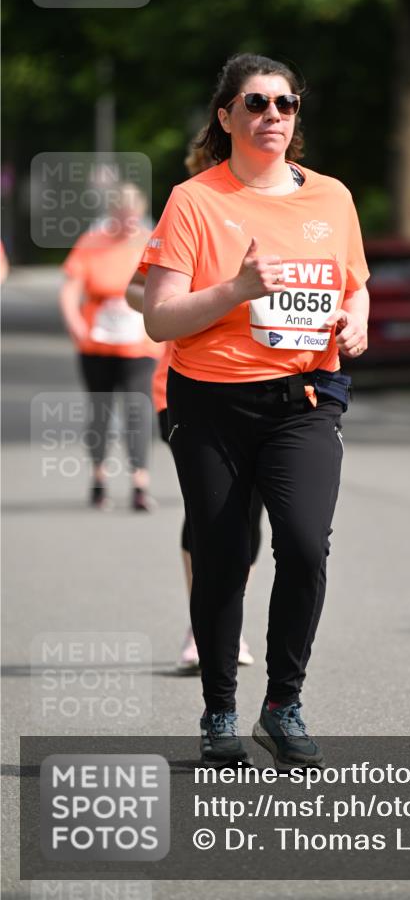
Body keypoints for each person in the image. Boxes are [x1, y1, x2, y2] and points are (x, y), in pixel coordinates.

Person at [141, 52, 370, 768]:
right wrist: (236, 289)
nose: (272, 115)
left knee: (303, 546)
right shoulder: (194, 201)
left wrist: (359, 318)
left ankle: (283, 703)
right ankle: (218, 711)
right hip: (210, 403)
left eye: (285, 104)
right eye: (256, 103)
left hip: (303, 399)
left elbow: (353, 284)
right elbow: (159, 319)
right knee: (222, 553)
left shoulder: (330, 197)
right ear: (226, 116)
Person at [126, 135, 259, 671]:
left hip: (263, 382)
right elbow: (137, 292)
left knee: (250, 514)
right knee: (210, 507)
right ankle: (201, 624)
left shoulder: (288, 208)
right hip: (184, 382)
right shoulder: (190, 205)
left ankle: (228, 619)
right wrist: (198, 297)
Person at [60, 183, 163, 511]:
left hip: (140, 345)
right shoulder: (93, 242)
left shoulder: (151, 240)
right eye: (121, 219)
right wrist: (74, 320)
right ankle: (99, 479)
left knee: (138, 410)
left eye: (132, 219)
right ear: (111, 214)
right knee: (100, 411)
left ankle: (139, 484)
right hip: (97, 343)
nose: (127, 226)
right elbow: (70, 288)